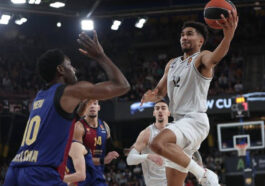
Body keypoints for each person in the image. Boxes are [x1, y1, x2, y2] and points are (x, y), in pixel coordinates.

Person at [4, 31, 130, 186]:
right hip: (40, 173)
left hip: (16, 169)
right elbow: (122, 86)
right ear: (61, 70)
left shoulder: (40, 96)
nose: (74, 69)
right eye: (69, 65)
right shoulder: (70, 91)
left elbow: (59, 125)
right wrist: (100, 56)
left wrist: (81, 110)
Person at [141, 10, 238, 186]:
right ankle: (209, 181)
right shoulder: (172, 63)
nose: (184, 37)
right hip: (179, 124)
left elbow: (215, 57)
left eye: (190, 34)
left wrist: (228, 36)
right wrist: (151, 96)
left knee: (156, 143)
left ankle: (204, 175)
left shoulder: (201, 57)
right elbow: (160, 92)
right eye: (182, 35)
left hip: (194, 120)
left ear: (201, 40)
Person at [126, 100, 203, 186]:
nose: (160, 110)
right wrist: (148, 156)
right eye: (157, 108)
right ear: (154, 113)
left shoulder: (176, 131)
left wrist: (200, 165)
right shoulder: (147, 133)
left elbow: (193, 149)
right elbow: (130, 159)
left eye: (163, 108)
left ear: (169, 112)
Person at [73, 100, 118, 185]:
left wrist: (131, 151)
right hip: (81, 177)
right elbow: (79, 158)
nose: (92, 106)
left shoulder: (104, 126)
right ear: (84, 108)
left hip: (98, 175)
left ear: (99, 107)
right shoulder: (79, 127)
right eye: (89, 104)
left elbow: (112, 149)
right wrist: (103, 160)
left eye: (95, 104)